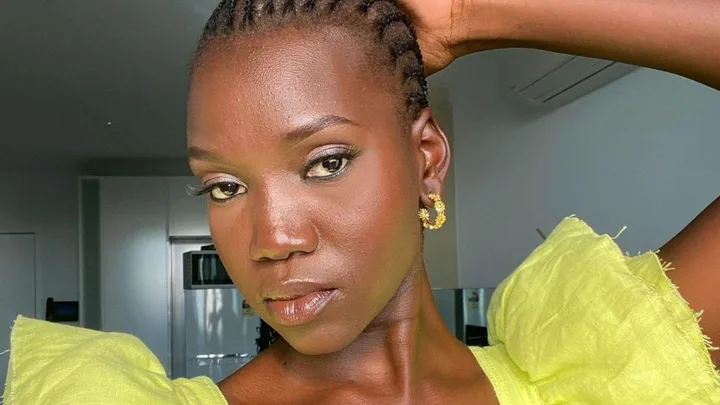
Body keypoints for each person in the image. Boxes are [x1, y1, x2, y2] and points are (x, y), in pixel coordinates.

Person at [2, 0, 718, 404]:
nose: (272, 238)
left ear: (426, 160)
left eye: (326, 162)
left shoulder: (585, 377)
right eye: (225, 186)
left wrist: (472, 13)